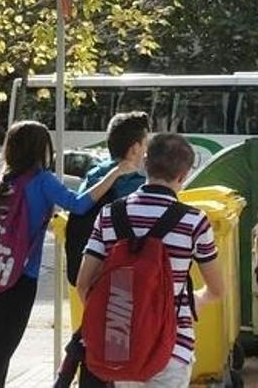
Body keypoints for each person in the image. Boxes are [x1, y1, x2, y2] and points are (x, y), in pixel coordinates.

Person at [0, 121, 136, 388]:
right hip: (20, 278)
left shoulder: (3, 181)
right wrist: (115, 173)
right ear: (42, 149)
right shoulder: (42, 181)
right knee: (2, 350)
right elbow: (79, 205)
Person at [76, 133, 223, 388]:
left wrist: (120, 317)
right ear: (184, 175)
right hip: (173, 347)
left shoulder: (110, 214)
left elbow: (83, 284)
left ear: (145, 163)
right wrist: (196, 300)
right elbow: (218, 289)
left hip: (121, 347)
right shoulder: (194, 221)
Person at [66, 112, 149, 286]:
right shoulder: (137, 184)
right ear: (135, 148)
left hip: (87, 273)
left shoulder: (93, 175)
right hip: (121, 279)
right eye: (145, 144)